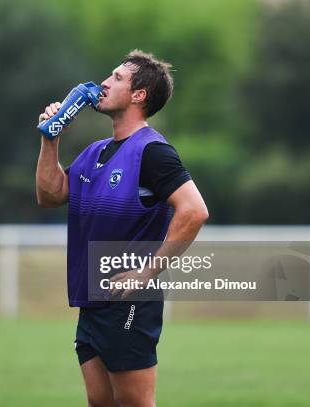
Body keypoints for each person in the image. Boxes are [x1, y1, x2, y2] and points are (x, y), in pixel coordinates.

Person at [36, 50, 208, 406]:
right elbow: (50, 195)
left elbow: (194, 211)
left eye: (116, 78)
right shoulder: (94, 151)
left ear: (139, 95)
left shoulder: (153, 152)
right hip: (92, 299)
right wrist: (50, 139)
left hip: (128, 299)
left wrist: (146, 273)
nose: (103, 82)